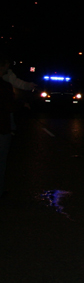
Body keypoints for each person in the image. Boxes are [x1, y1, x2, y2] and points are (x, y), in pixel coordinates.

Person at [1, 51, 24, 198]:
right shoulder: (4, 86)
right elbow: (9, 106)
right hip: (2, 128)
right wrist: (21, 104)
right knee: (1, 159)